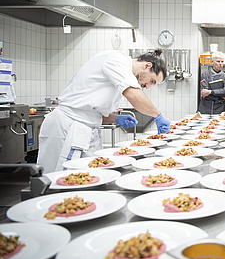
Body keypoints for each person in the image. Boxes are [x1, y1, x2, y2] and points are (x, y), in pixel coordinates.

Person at [38, 49, 170, 173]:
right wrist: (157, 116)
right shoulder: (116, 60)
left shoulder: (121, 73)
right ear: (147, 66)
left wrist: (116, 119)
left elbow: (92, 112)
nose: (147, 86)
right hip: (68, 127)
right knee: (59, 179)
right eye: (151, 81)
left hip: (85, 129)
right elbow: (134, 95)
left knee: (85, 179)